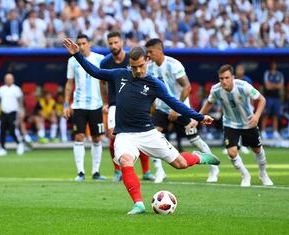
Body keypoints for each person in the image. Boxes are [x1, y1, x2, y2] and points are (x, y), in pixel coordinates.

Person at [63, 38, 219, 215]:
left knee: (180, 163)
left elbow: (175, 103)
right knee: (125, 161)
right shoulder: (119, 74)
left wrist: (198, 117)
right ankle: (139, 204)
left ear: (147, 61)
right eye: (133, 66)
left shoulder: (155, 84)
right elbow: (95, 71)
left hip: (147, 133)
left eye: (140, 66)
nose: (137, 70)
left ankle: (198, 157)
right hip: (125, 135)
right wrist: (77, 54)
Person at [145, 38, 219, 183]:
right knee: (152, 136)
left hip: (180, 108)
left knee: (194, 139)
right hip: (162, 108)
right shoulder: (150, 68)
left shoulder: (173, 65)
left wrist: (175, 107)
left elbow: (187, 87)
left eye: (150, 51)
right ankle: (160, 172)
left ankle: (213, 169)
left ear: (159, 50)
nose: (148, 55)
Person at [199, 64, 273, 187]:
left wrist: (256, 116)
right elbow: (208, 103)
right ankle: (245, 175)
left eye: (227, 78)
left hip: (248, 122)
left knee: (257, 149)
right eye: (221, 78)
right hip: (230, 123)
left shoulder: (243, 86)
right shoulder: (216, 90)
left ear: (232, 77)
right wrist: (197, 118)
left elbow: (262, 100)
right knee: (232, 153)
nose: (224, 81)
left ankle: (263, 174)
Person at [100, 31, 155, 182]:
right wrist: (105, 102)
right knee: (113, 137)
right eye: (110, 43)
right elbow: (102, 83)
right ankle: (117, 171)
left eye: (116, 42)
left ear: (122, 42)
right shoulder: (105, 63)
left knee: (141, 136)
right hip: (114, 104)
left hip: (134, 103)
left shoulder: (132, 60)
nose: (113, 46)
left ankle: (146, 171)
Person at [64, 34, 106, 181]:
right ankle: (80, 172)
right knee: (79, 136)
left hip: (96, 104)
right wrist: (66, 104)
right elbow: (69, 83)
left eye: (83, 43)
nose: (81, 46)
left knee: (97, 138)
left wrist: (106, 102)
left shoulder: (100, 59)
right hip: (79, 105)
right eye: (79, 44)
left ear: (90, 44)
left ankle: (96, 172)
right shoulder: (72, 61)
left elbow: (105, 81)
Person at [0, 73, 25, 156]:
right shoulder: (1, 89)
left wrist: (22, 110)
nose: (8, 80)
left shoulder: (16, 89)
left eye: (10, 79)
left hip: (12, 112)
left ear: (13, 80)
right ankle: (2, 148)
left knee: (12, 130)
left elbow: (20, 101)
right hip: (3, 112)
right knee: (2, 131)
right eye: (7, 79)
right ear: (5, 80)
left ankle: (19, 144)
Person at [260, 61, 284, 139]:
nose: (274, 65)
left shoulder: (279, 74)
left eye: (275, 64)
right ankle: (263, 132)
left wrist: (272, 85)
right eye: (272, 64)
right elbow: (267, 86)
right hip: (268, 97)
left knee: (276, 115)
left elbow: (281, 87)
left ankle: (275, 132)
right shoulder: (267, 73)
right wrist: (275, 85)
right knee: (265, 114)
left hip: (277, 97)